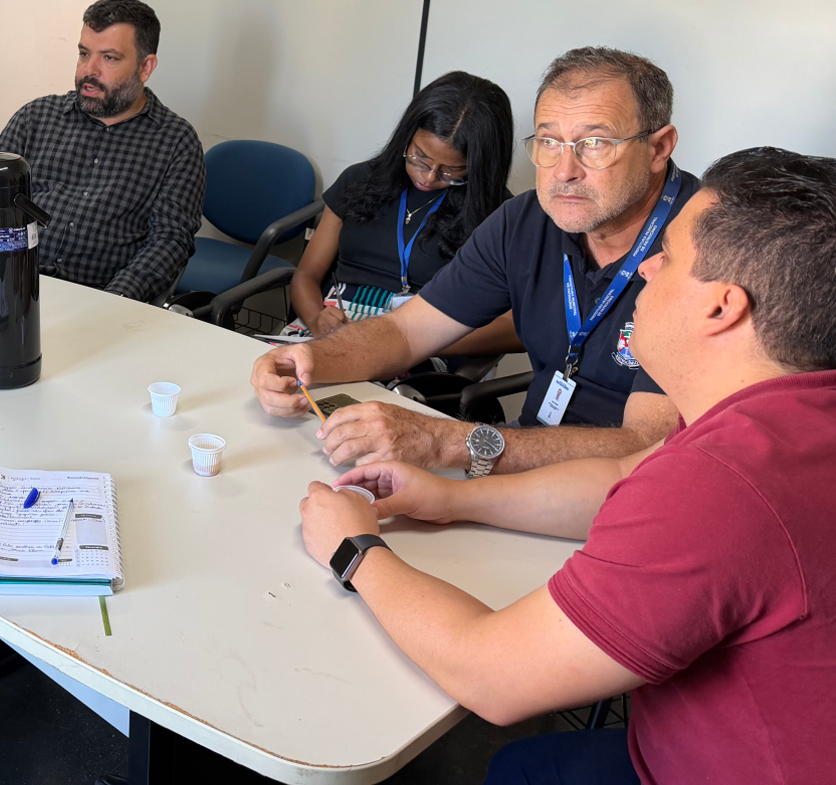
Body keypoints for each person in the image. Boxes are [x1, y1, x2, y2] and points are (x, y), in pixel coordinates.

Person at [299, 146, 836, 784]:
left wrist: (353, 550)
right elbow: (619, 479)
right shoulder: (786, 413)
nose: (647, 268)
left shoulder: (726, 485)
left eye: (672, 259)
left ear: (723, 307)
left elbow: (492, 676)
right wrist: (449, 500)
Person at [253, 47, 696, 475]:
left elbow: (647, 448)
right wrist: (309, 358)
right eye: (548, 141)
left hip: (627, 496)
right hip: (525, 458)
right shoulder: (523, 220)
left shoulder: (708, 247)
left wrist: (444, 440)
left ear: (659, 149)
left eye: (594, 143)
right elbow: (407, 331)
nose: (564, 170)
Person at [0, 0, 205, 303]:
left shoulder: (176, 143)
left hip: (94, 302)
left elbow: (168, 243)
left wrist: (112, 302)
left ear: (145, 67)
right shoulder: (36, 118)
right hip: (5, 291)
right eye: (84, 53)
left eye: (109, 58)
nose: (89, 70)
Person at [284, 70, 520, 361]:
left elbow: (513, 329)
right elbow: (306, 275)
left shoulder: (503, 217)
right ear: (406, 137)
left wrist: (410, 340)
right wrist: (317, 319)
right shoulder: (360, 180)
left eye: (452, 171)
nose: (429, 177)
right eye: (420, 157)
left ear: (480, 166)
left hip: (425, 344)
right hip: (334, 326)